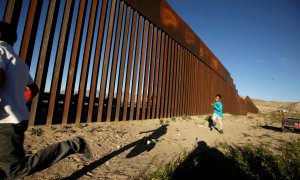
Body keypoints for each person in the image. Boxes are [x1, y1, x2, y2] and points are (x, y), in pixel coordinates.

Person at [0, 21, 91, 179]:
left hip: (5, 122)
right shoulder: (21, 63)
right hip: (16, 121)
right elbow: (33, 88)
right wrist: (20, 101)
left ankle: (74, 144)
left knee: (15, 170)